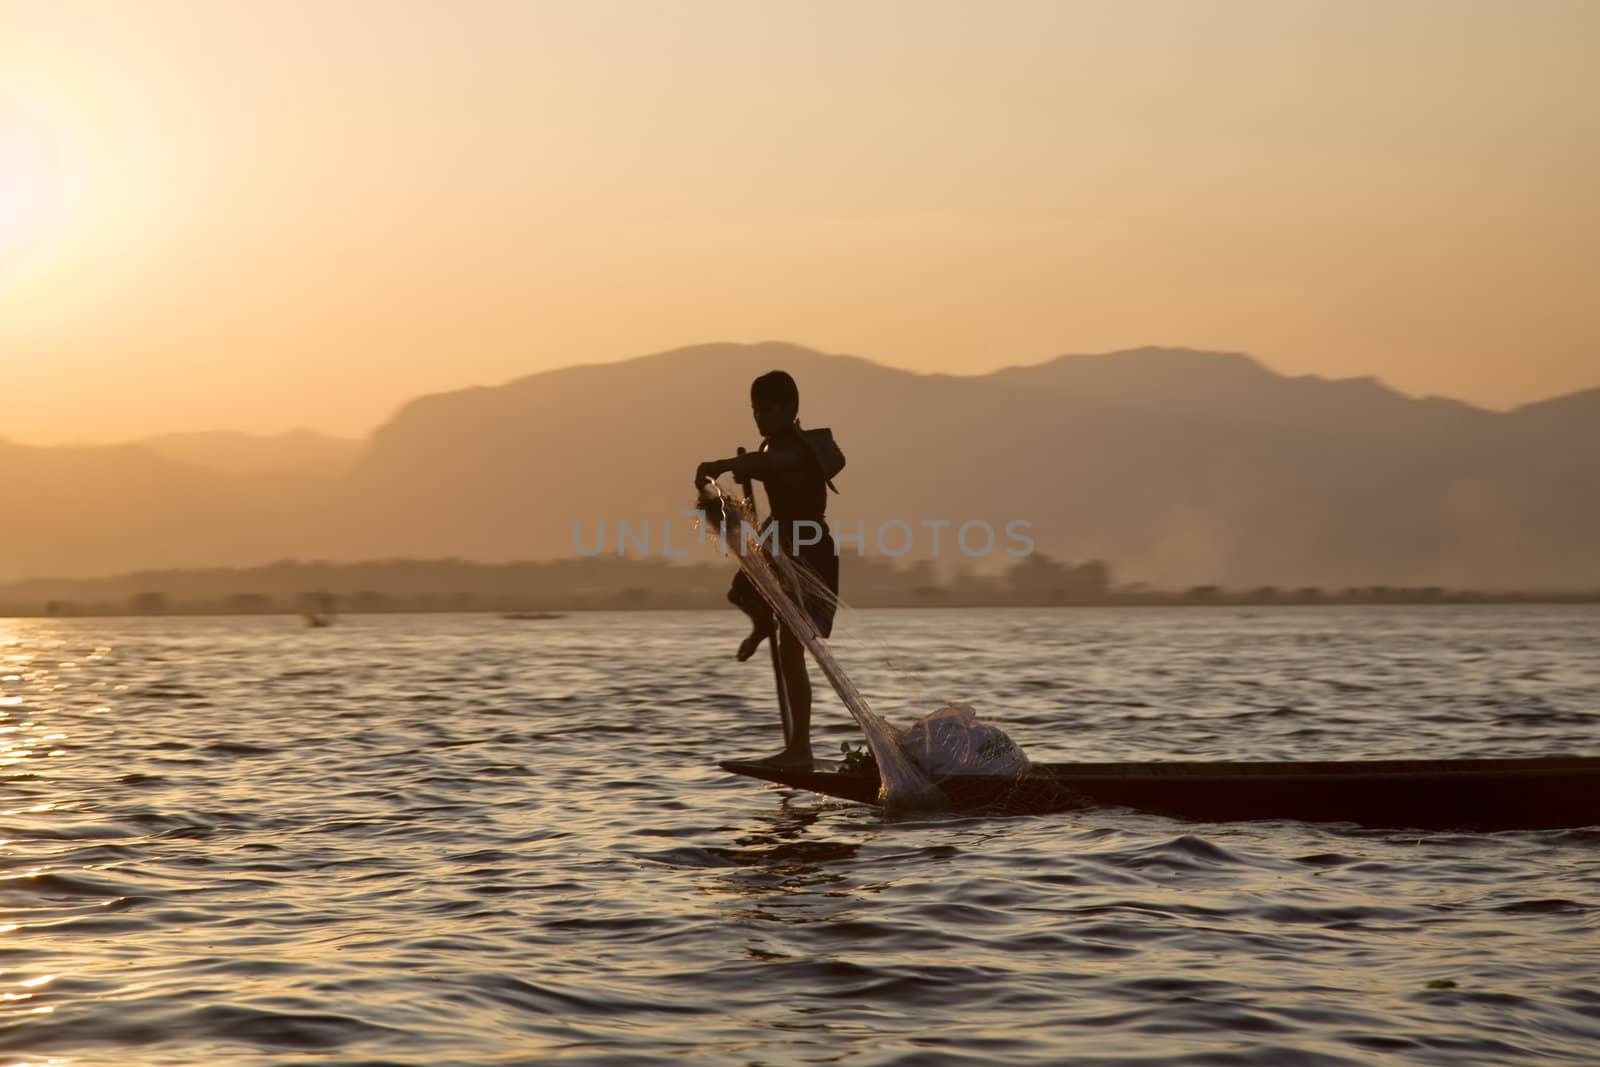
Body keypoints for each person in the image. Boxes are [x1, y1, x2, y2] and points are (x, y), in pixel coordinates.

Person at [694, 371, 844, 767]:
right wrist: (746, 468)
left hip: (808, 554)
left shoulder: (797, 448)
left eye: (767, 409)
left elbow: (780, 463)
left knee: (792, 650)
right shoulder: (769, 448)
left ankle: (800, 750)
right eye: (755, 409)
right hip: (782, 549)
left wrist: (727, 464)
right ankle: (763, 625)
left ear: (789, 410)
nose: (759, 416)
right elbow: (765, 463)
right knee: (741, 590)